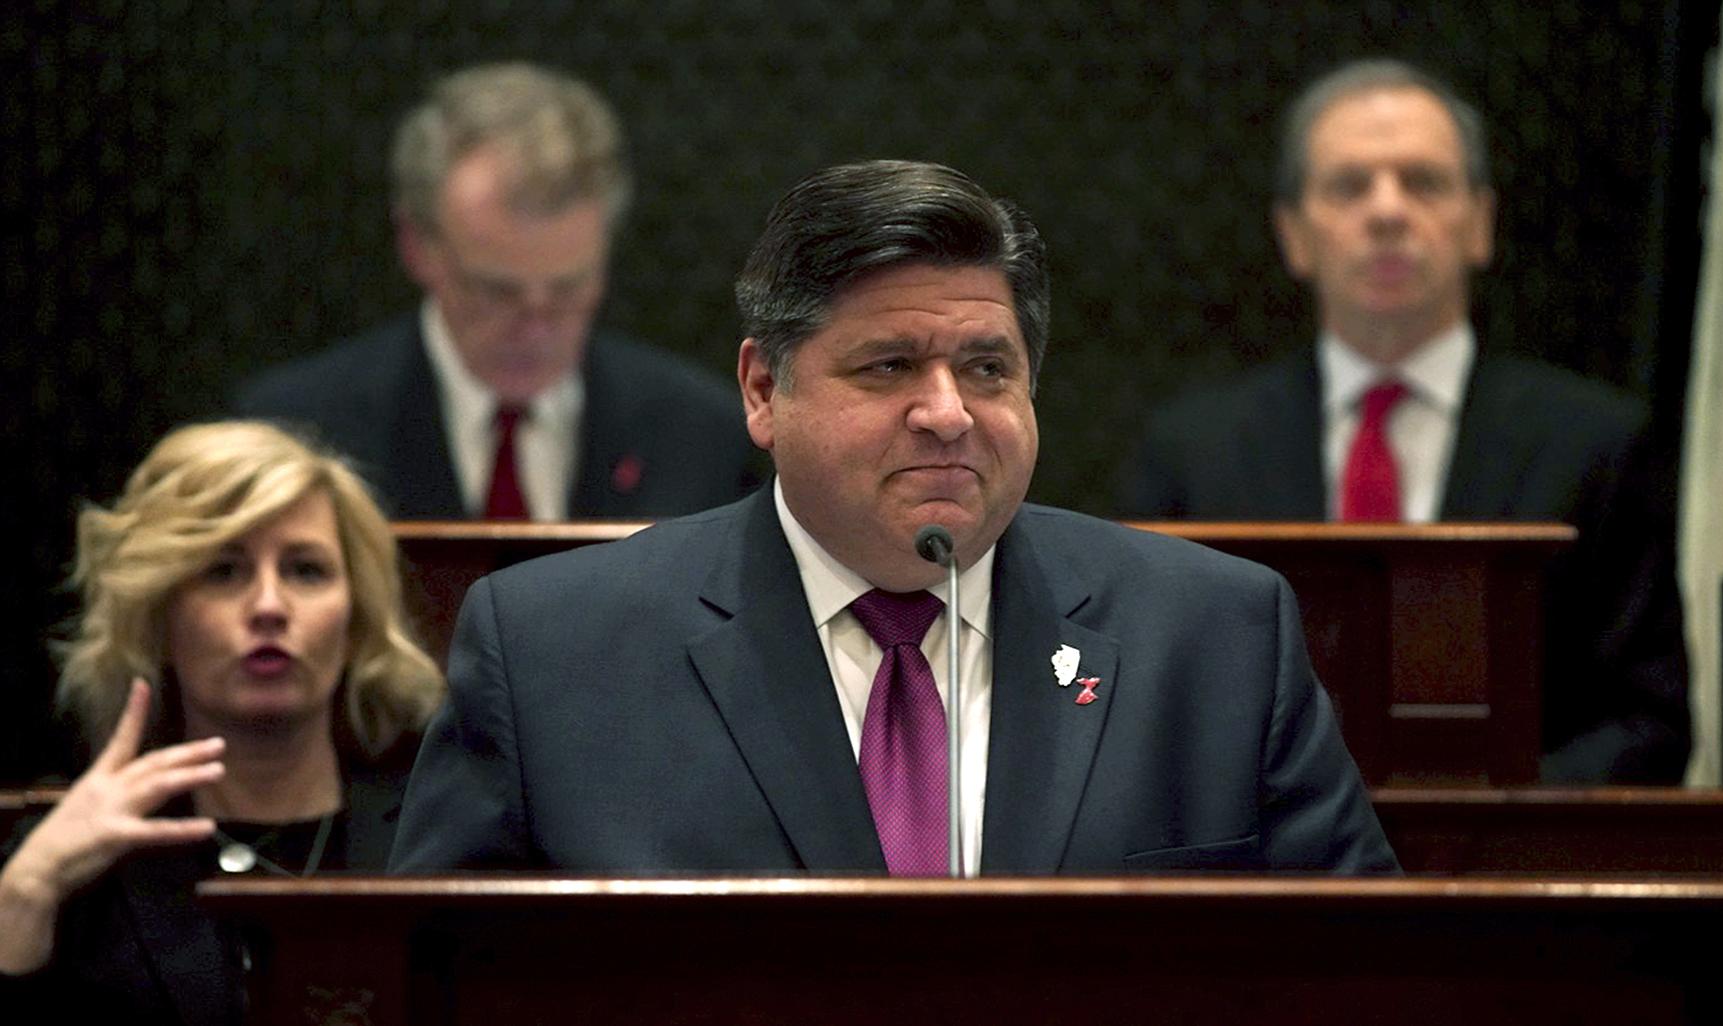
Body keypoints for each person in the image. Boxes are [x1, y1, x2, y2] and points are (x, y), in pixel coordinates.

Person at [390, 159, 1395, 876]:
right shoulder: (551, 653)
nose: (949, 412)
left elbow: (1371, 974)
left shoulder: (1216, 637)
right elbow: (430, 980)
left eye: (988, 369)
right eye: (889, 366)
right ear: (761, 391)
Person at [1122, 59, 1690, 783]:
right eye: (1349, 185)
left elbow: (1651, 721)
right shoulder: (1192, 454)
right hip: (1260, 873)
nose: (1388, 211)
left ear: (1479, 224)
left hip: (1511, 873)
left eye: (1423, 182)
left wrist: (1484, 833)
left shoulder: (1598, 447)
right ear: (1294, 234)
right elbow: (1145, 705)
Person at [0, 421, 444, 1023]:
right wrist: (22, 896)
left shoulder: (436, 836)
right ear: (157, 613)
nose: (268, 606)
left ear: (357, 618)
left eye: (305, 570)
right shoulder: (74, 864)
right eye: (223, 571)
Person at [236, 61, 758, 520]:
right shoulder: (295, 433)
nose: (535, 326)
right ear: (416, 245)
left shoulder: (701, 436)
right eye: (495, 291)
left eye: (567, 288)